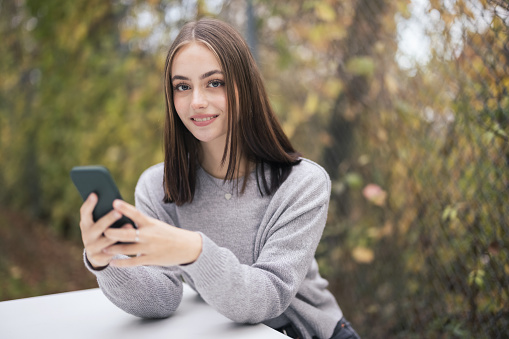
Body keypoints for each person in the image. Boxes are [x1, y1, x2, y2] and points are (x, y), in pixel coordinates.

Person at [79, 18, 360, 339]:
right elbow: (161, 298)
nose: (197, 100)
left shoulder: (303, 183)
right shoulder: (158, 187)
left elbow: (268, 298)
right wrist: (106, 260)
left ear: (245, 87)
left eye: (215, 82)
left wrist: (194, 250)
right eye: (182, 86)